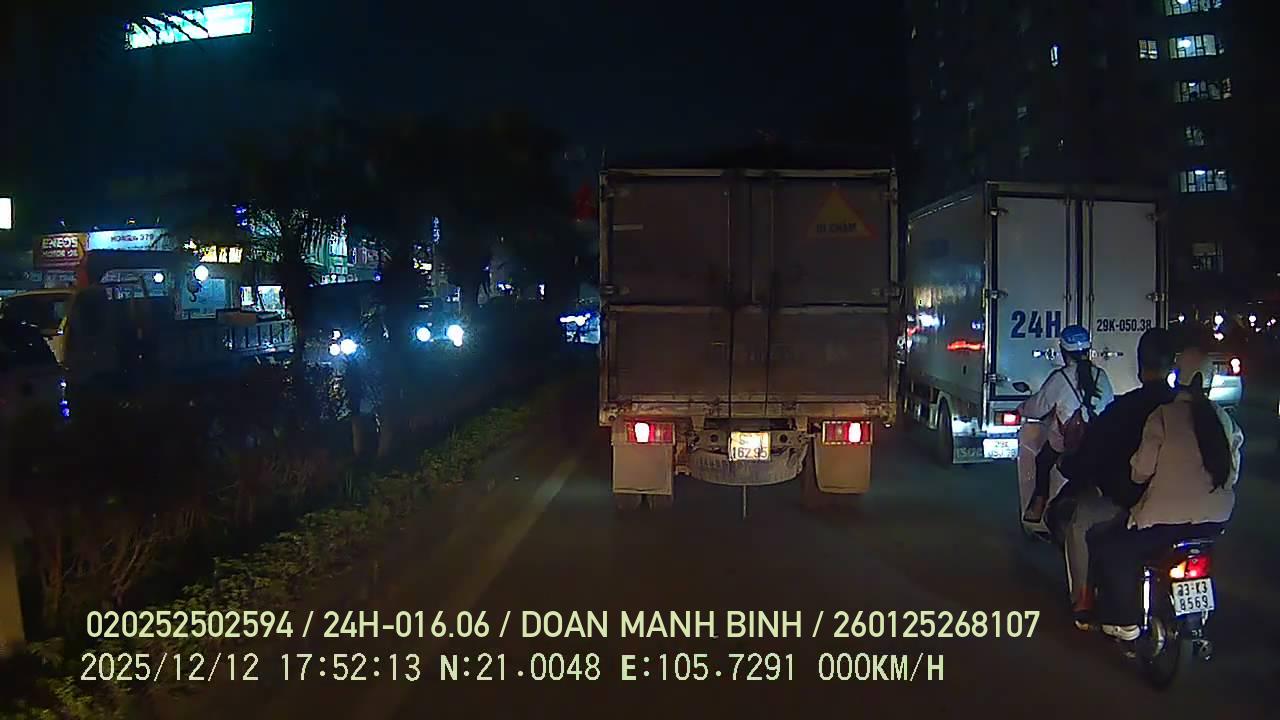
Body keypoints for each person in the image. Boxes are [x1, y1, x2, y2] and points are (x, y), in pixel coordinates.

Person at [1090, 349, 1244, 641]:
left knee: (1112, 547)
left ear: (1177, 376)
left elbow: (1140, 471)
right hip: (1214, 521)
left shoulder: (1163, 416)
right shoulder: (1223, 419)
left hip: (1162, 522)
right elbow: (1233, 474)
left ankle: (1124, 622)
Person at [1050, 327, 1178, 629]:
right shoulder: (1189, 408)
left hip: (1133, 502)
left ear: (1139, 365)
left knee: (1078, 522)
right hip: (1194, 506)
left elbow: (1093, 455)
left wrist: (1073, 466)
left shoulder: (1124, 409)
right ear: (1173, 364)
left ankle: (1083, 601)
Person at [1019, 325, 1115, 523]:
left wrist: (1021, 409)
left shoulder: (1060, 378)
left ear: (1064, 352)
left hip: (1068, 444)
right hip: (1100, 443)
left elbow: (1037, 408)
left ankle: (1038, 505)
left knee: (1042, 461)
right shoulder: (1101, 376)